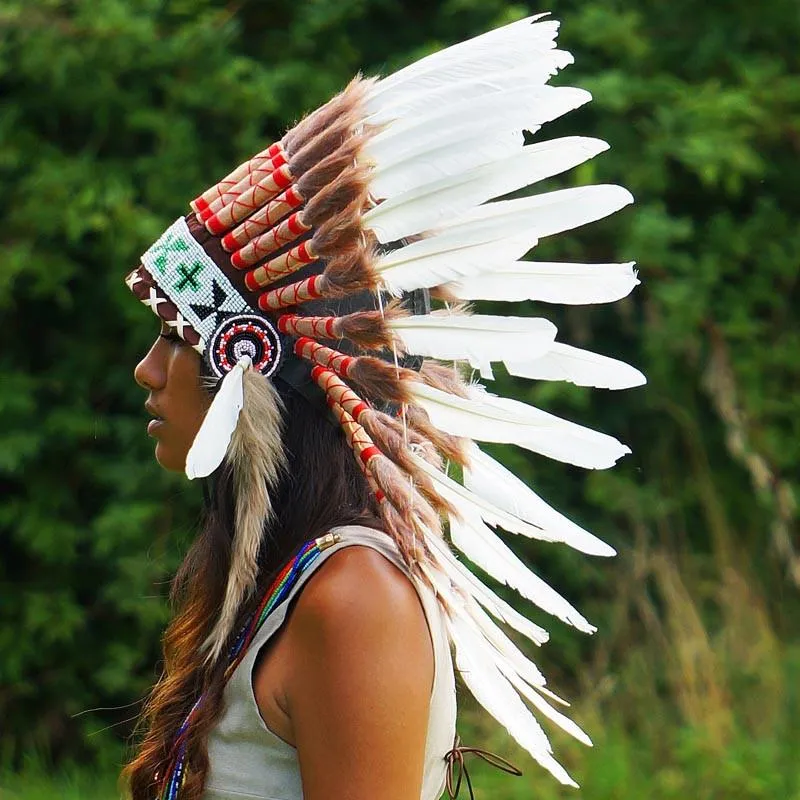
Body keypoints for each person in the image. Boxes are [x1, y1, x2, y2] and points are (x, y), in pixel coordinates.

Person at [122, 13, 642, 800]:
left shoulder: (353, 598)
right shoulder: (282, 584)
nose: (146, 371)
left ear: (250, 360)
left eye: (174, 336)